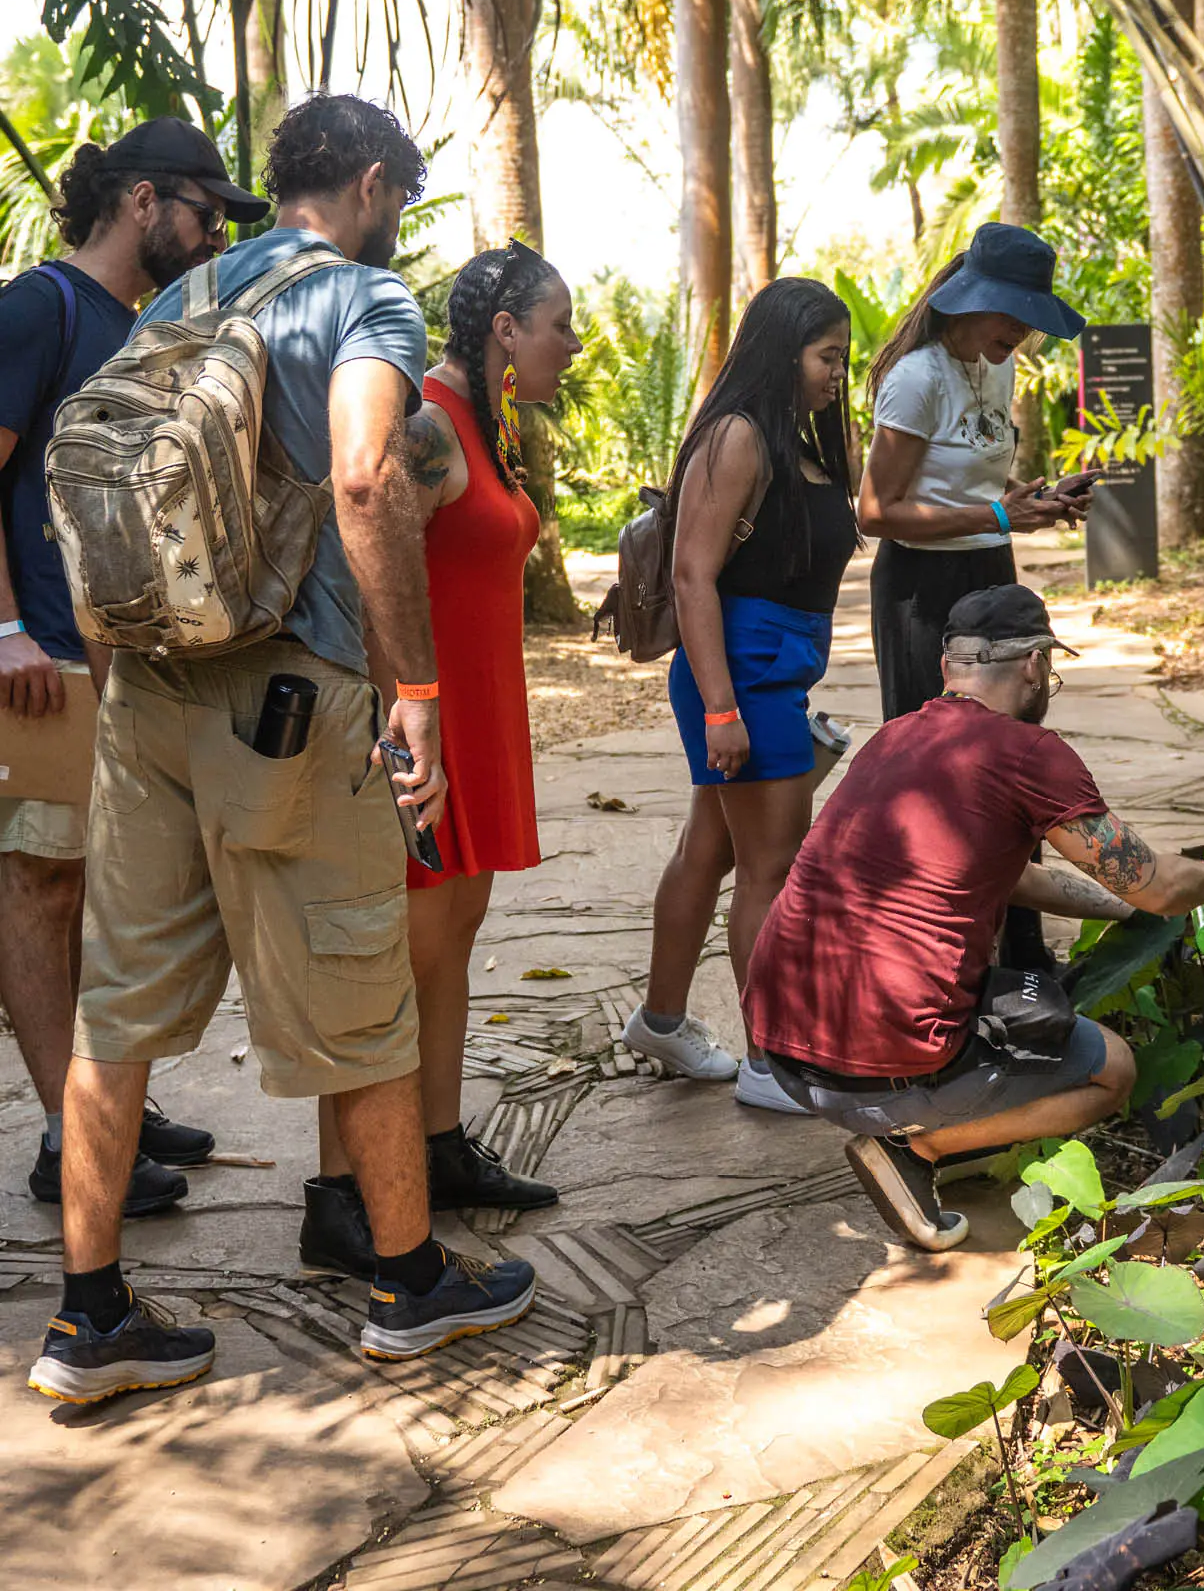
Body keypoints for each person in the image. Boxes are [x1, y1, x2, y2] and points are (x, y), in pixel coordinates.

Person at [28, 95, 536, 1408]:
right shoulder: (364, 299)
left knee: (115, 1007)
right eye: (401, 198)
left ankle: (89, 1318)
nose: (399, 220)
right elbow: (365, 475)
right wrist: (412, 687)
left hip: (148, 689)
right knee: (360, 981)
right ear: (369, 185)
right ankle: (408, 1281)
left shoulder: (181, 297)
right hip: (291, 700)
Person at [743, 583, 1204, 1251]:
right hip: (874, 1068)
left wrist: (1116, 906)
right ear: (1035, 664)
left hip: (781, 1050)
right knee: (1113, 1070)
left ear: (947, 667)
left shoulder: (897, 737)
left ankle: (924, 1121)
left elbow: (1017, 877)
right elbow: (1154, 882)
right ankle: (912, 1148)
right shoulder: (1030, 754)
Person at [302, 240, 582, 1276]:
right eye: (559, 325)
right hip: (426, 721)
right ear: (507, 330)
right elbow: (360, 553)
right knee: (394, 964)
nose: (572, 343)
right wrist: (398, 713)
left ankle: (439, 1143)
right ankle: (338, 1194)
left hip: (482, 714)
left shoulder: (486, 426)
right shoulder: (425, 422)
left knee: (453, 939)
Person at [0, 120, 261, 1221]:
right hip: (43, 662)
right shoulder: (40, 308)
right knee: (40, 883)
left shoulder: (151, 322)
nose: (213, 241)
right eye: (205, 216)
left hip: (125, 661)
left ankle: (109, 1105)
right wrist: (5, 631)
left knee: (107, 894)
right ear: (143, 200)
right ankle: (69, 1137)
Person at [622, 279, 859, 1113]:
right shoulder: (737, 436)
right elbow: (693, 575)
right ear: (784, 351)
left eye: (843, 357)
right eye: (827, 356)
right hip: (742, 671)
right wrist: (722, 709)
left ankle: (660, 1021)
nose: (838, 372)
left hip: (774, 667)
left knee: (710, 851)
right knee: (772, 867)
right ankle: (770, 1061)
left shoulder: (801, 440)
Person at [859, 222, 1091, 723]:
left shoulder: (999, 366)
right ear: (971, 302)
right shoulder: (918, 378)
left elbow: (976, 467)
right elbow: (875, 513)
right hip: (921, 583)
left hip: (990, 572)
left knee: (1000, 730)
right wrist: (999, 517)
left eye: (1030, 317)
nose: (1021, 330)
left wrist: (1043, 499)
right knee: (927, 737)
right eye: (1010, 313)